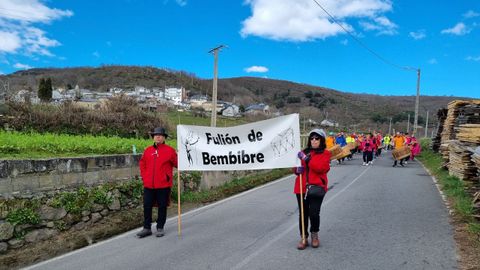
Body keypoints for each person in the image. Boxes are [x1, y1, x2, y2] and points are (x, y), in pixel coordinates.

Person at [137, 127, 178, 238]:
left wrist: (181, 156)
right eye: (156, 135)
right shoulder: (148, 150)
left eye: (160, 135)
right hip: (149, 184)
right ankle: (147, 228)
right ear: (153, 137)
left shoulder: (170, 151)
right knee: (147, 205)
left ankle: (160, 227)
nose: (158, 137)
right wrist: (145, 177)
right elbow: (142, 164)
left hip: (163, 184)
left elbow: (177, 164)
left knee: (162, 206)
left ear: (164, 137)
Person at [294, 128, 331, 250]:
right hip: (301, 187)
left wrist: (307, 160)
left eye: (317, 138)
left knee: (314, 213)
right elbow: (296, 168)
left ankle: (314, 234)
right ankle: (303, 237)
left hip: (317, 187)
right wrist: (296, 169)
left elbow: (321, 168)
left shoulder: (325, 154)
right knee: (303, 213)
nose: (314, 140)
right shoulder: (303, 152)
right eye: (312, 138)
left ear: (321, 140)